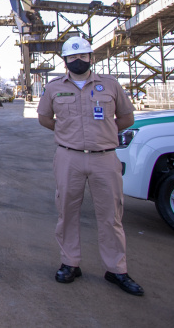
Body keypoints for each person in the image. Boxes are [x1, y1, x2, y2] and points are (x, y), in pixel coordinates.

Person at [36, 36, 144, 296]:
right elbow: (45, 118)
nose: (78, 60)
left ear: (91, 58)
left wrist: (103, 132)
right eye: (72, 57)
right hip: (69, 156)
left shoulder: (110, 84)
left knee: (111, 215)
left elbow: (126, 117)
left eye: (82, 56)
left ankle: (116, 269)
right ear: (65, 61)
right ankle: (70, 263)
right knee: (67, 211)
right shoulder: (54, 87)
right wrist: (68, 132)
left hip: (104, 157)